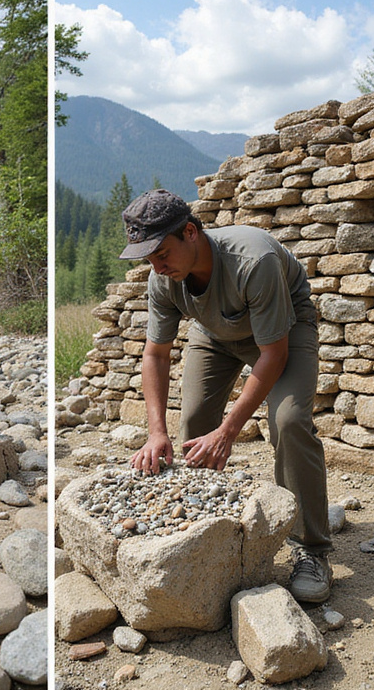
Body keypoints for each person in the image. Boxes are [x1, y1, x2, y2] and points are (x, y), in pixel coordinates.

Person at [120, 188, 332, 603]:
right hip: (214, 331)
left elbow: (274, 354)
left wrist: (229, 430)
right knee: (194, 425)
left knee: (288, 422)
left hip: (284, 330)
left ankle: (312, 549)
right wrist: (155, 432)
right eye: (147, 258)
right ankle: (204, 531)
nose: (157, 266)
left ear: (191, 232)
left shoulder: (254, 261)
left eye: (162, 253)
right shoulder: (162, 278)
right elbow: (155, 355)